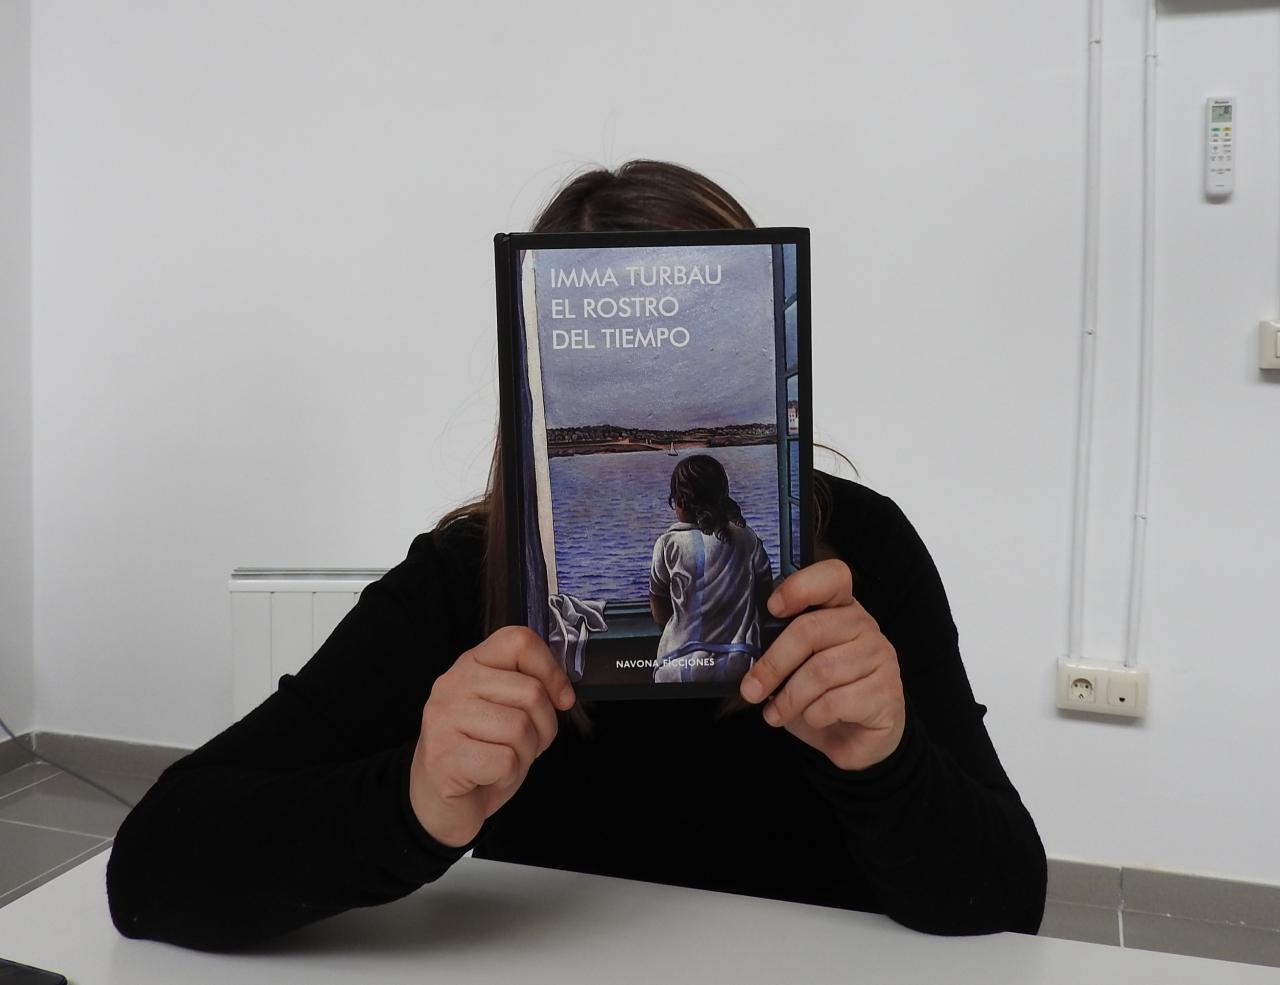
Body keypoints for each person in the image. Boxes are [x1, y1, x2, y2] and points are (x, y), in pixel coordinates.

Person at [105, 160, 1048, 951]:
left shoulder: (863, 555)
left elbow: (1012, 899)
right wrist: (413, 800)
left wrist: (887, 761)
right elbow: (152, 865)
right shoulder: (465, 575)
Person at [649, 454, 774, 684]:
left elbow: (659, 607)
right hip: (739, 662)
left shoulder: (668, 544)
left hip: (676, 665)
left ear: (680, 502)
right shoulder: (746, 537)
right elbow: (765, 590)